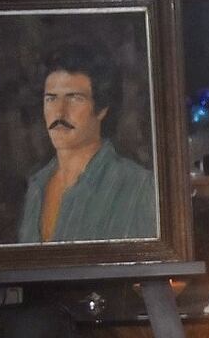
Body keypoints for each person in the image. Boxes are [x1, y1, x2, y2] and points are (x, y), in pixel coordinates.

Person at [17, 44, 157, 243]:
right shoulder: (36, 187)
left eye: (74, 98)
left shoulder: (139, 187)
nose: (59, 112)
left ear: (102, 108)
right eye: (51, 99)